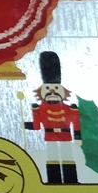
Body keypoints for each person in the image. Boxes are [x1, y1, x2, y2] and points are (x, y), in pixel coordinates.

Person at [24, 52, 81, 183]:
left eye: (55, 88)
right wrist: (25, 124)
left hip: (65, 136)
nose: (52, 91)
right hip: (50, 136)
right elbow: (37, 126)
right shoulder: (40, 108)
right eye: (48, 88)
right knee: (52, 158)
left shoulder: (69, 108)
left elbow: (76, 123)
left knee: (67, 158)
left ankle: (71, 180)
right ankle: (54, 180)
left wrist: (78, 137)